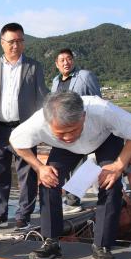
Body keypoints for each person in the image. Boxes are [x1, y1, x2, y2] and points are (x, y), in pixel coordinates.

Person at [9, 91, 131, 259]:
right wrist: (39, 167)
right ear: (49, 123)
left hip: (105, 139)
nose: (68, 136)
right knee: (48, 181)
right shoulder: (38, 122)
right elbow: (16, 141)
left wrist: (119, 165)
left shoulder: (102, 110)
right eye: (61, 132)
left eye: (73, 130)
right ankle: (51, 242)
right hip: (65, 149)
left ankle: (102, 246)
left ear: (83, 116)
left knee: (110, 183)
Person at [0, 23, 48, 230]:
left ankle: (23, 215)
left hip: (24, 129)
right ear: (2, 43)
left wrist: (41, 129)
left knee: (27, 174)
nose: (15, 45)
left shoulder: (34, 67)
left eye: (19, 41)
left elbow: (42, 99)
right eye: (11, 41)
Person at [51, 48, 102, 211]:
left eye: (69, 59)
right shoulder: (55, 81)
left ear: (73, 60)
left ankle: (73, 201)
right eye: (62, 60)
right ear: (57, 64)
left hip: (83, 129)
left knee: (82, 165)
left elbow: (97, 101)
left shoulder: (85, 76)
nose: (66, 62)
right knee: (60, 166)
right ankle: (66, 199)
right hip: (62, 132)